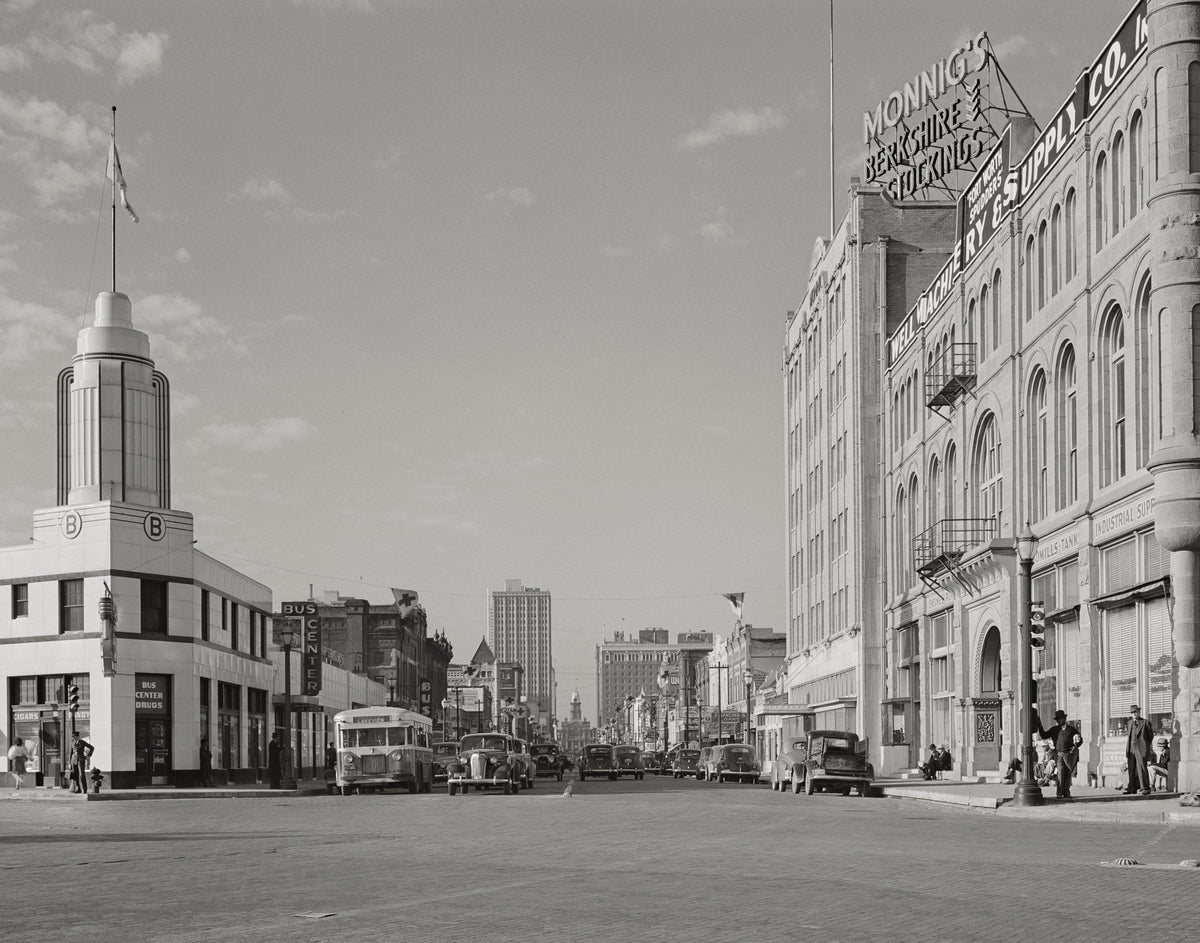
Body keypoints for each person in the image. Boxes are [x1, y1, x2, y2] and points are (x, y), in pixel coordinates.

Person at [1039, 709, 1082, 799]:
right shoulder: (1054, 729)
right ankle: (1059, 793)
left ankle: (1066, 792)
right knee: (1060, 772)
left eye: (1061, 719)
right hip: (1058, 754)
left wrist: (1076, 746)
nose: (1059, 721)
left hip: (1069, 754)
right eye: (1057, 719)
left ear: (1064, 719)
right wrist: (1040, 725)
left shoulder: (1071, 729)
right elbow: (1044, 735)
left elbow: (1080, 739)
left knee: (1068, 773)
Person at [1124, 704, 1154, 795]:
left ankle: (1145, 788)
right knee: (1131, 768)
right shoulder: (1129, 723)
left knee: (1142, 767)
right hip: (1131, 747)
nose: (1134, 714)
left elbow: (1150, 736)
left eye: (1136, 711)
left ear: (1139, 712)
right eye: (1132, 712)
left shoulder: (1145, 722)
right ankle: (1132, 788)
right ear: (1131, 714)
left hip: (1141, 746)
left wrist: (1145, 745)